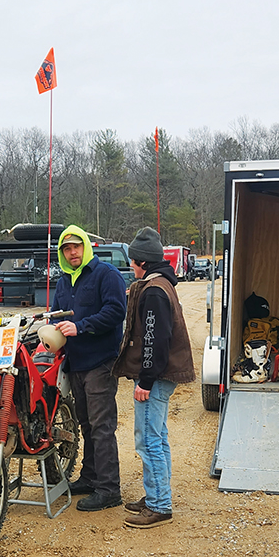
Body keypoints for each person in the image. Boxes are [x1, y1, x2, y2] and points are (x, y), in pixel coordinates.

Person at [112, 227, 195, 528]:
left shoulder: (154, 292)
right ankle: (155, 496)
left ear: (143, 262)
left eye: (133, 261)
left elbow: (154, 340)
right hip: (161, 374)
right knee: (157, 437)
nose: (131, 266)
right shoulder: (160, 285)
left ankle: (160, 506)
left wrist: (145, 381)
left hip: (155, 377)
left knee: (148, 441)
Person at [52, 225, 127, 512]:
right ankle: (91, 476)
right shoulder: (63, 282)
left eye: (76, 247)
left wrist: (80, 326)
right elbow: (58, 315)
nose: (72, 252)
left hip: (100, 362)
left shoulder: (106, 274)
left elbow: (115, 310)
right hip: (75, 364)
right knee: (85, 424)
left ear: (86, 246)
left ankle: (109, 489)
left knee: (101, 427)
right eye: (67, 249)